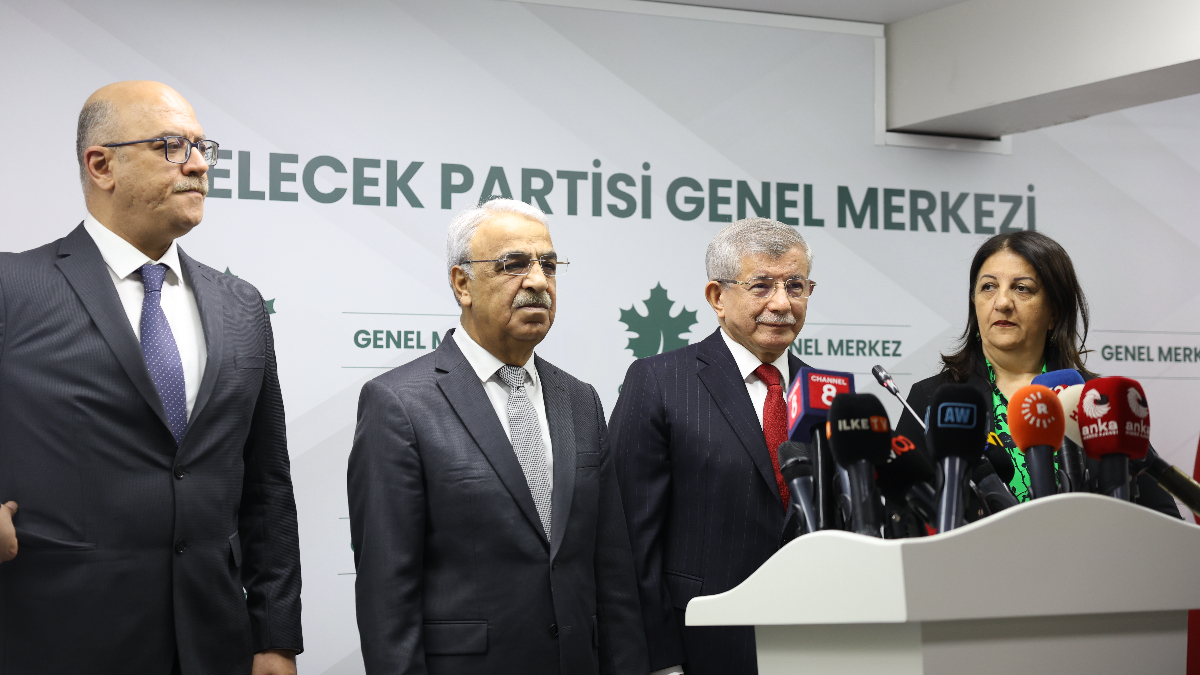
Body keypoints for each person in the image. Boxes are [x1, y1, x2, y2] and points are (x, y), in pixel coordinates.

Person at [0, 81, 303, 675]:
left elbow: (267, 486)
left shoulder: (241, 305)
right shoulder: (14, 288)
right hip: (55, 640)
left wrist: (275, 637)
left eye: (201, 148)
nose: (198, 165)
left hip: (214, 644)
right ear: (101, 165)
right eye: (171, 146)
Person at [347, 198, 648, 675]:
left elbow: (612, 571)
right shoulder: (398, 403)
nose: (538, 281)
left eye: (549, 265)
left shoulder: (580, 399)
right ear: (462, 283)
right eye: (514, 264)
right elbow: (387, 594)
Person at [610, 217, 817, 675]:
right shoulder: (659, 382)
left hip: (814, 644)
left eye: (796, 286)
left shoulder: (826, 392)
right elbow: (629, 541)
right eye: (761, 286)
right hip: (700, 648)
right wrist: (659, 661)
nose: (782, 303)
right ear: (717, 297)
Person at [894, 230, 1179, 516]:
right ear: (974, 303)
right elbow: (904, 520)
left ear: (1054, 312)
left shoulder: (1100, 402)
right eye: (988, 287)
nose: (1002, 302)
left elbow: (1164, 521)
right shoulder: (933, 398)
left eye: (1022, 288)